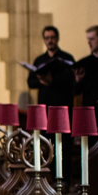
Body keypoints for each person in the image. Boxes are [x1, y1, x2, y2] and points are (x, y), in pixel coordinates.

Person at [27, 26, 75, 186]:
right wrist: (41, 81)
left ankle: (64, 180)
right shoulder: (40, 60)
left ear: (57, 38)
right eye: (47, 38)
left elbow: (71, 82)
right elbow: (30, 81)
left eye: (52, 37)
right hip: (45, 109)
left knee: (64, 145)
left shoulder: (66, 58)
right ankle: (48, 180)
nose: (50, 41)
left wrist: (52, 81)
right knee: (47, 145)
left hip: (63, 108)